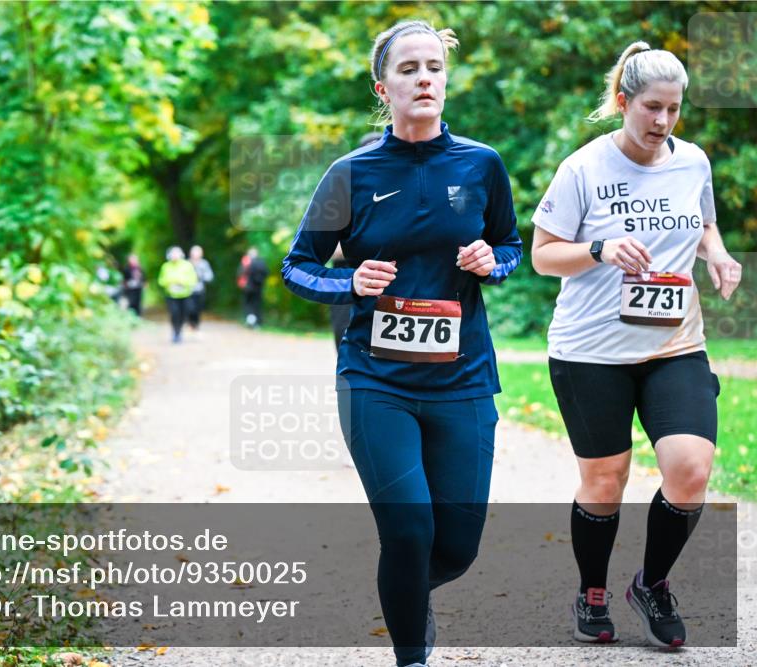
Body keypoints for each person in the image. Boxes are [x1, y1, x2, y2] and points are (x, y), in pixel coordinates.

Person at [281, 20, 522, 667]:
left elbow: (510, 244)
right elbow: (297, 266)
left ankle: (408, 591)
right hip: (375, 380)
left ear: (446, 80)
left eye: (434, 68)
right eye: (409, 69)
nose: (424, 79)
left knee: (457, 547)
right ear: (382, 88)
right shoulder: (350, 174)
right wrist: (349, 281)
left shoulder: (481, 164)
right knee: (409, 529)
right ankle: (412, 654)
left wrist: (491, 262)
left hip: (463, 379)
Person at [531, 41, 743, 648]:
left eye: (674, 109)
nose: (663, 121)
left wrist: (718, 254)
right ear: (624, 102)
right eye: (652, 107)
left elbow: (703, 222)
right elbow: (544, 255)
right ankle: (592, 591)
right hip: (590, 351)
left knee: (691, 470)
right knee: (605, 483)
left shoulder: (692, 162)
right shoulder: (583, 169)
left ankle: (652, 584)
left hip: (675, 345)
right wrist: (600, 249)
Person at [329, 132, 383, 352]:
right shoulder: (341, 194)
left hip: (388, 284)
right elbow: (327, 249)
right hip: (347, 281)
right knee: (345, 341)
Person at [157, 246, 198, 343]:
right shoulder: (166, 266)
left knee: (184, 314)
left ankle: (179, 331)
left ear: (181, 254)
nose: (175, 256)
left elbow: (193, 279)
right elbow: (161, 280)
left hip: (185, 295)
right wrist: (169, 283)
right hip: (171, 295)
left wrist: (182, 282)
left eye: (176, 253)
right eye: (173, 254)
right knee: (174, 313)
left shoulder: (187, 265)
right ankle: (176, 332)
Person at [238, 247, 268, 328]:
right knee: (257, 304)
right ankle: (257, 322)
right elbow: (266, 273)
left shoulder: (246, 261)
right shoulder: (262, 262)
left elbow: (240, 273)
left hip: (248, 287)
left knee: (248, 304)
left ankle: (250, 320)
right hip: (258, 287)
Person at [187, 245, 214, 331]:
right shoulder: (187, 263)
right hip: (188, 290)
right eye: (194, 253)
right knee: (190, 308)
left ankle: (196, 323)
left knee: (198, 308)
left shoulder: (204, 263)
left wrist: (202, 277)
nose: (196, 255)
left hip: (200, 290)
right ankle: (190, 322)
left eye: (198, 253)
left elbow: (210, 276)